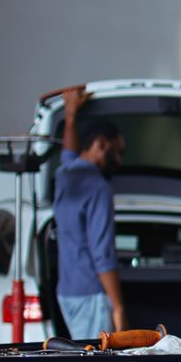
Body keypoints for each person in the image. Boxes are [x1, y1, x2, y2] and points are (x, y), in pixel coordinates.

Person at [54, 86, 127, 339]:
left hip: (67, 291)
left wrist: (70, 114)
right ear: (100, 144)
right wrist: (118, 306)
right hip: (91, 293)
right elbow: (102, 253)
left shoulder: (66, 174)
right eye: (118, 151)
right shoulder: (99, 187)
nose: (119, 160)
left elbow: (68, 153)